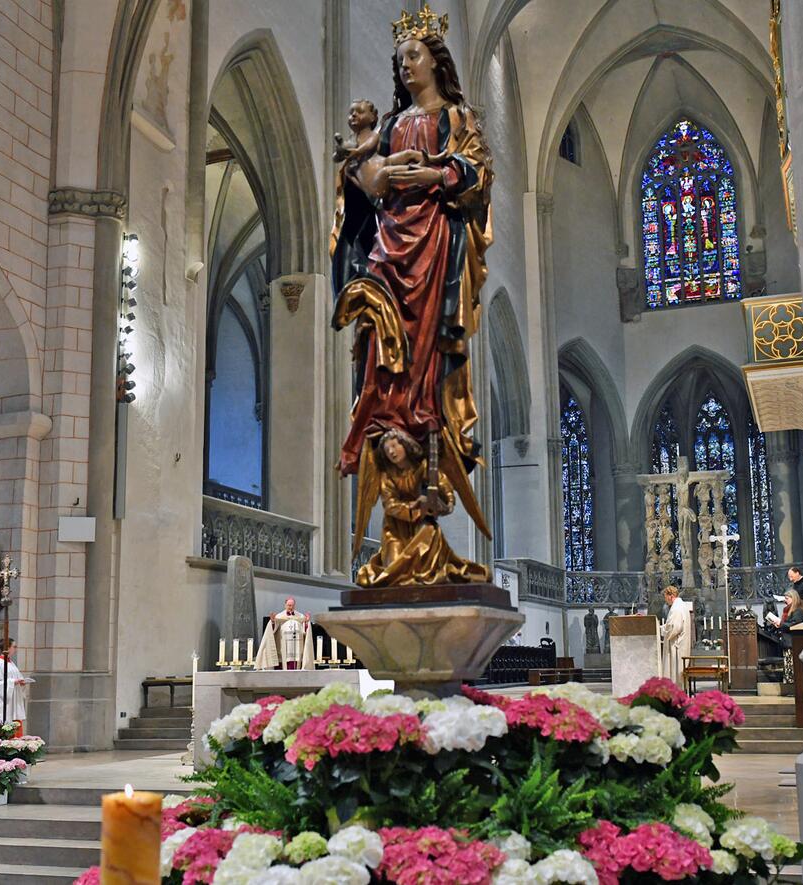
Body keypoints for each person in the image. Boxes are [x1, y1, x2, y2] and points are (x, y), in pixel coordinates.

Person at [331, 12, 495, 581]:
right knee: (379, 341)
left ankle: (425, 441)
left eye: (415, 55)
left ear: (435, 62)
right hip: (392, 246)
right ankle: (385, 425)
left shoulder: (455, 117)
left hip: (436, 251)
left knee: (425, 357)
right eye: (400, 58)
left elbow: (477, 172)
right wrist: (365, 169)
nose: (406, 64)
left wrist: (430, 179)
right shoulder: (395, 124)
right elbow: (369, 182)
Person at [354, 428, 488, 586]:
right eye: (387, 449)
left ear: (405, 444)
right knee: (394, 572)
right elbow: (390, 506)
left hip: (423, 525)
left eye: (394, 445)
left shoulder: (424, 467)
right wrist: (416, 507)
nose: (391, 451)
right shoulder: (387, 475)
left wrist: (447, 503)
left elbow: (444, 486)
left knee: (427, 541)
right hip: (395, 529)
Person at [256, 597, 315, 670]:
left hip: (297, 649)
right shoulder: (279, 617)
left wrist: (306, 623)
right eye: (289, 605)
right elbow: (272, 630)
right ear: (285, 605)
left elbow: (305, 631)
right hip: (283, 649)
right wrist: (273, 622)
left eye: (292, 605)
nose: (291, 607)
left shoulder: (300, 616)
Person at [0, 639, 28, 736]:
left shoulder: (11, 664)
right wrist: (13, 682)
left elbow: (16, 678)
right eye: (14, 647)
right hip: (4, 703)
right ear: (8, 648)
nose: (16, 649)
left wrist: (21, 682)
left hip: (13, 701)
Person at [661, 586, 692, 686]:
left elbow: (674, 628)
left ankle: (675, 695)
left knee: (675, 674)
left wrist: (659, 629)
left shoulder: (676, 608)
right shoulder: (680, 605)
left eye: (665, 598)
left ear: (671, 596)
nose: (666, 601)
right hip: (679, 644)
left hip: (676, 646)